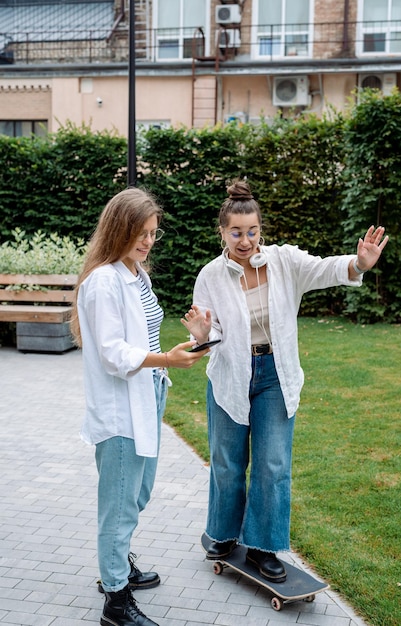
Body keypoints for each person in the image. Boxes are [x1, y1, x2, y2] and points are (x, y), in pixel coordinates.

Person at [181, 179, 388, 583]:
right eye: (237, 233)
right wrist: (201, 336)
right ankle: (223, 534)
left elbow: (326, 268)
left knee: (273, 464)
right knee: (227, 463)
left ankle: (261, 547)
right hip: (230, 374)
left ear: (262, 229)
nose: (246, 241)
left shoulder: (282, 261)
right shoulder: (210, 276)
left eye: (252, 231)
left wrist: (359, 263)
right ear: (222, 232)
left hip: (276, 374)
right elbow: (204, 332)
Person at [70, 187, 209, 626]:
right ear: (119, 230)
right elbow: (113, 353)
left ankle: (118, 564)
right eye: (140, 233)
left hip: (148, 394)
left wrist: (181, 350)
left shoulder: (135, 274)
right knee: (118, 503)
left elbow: (144, 336)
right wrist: (166, 358)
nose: (148, 242)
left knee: (138, 492)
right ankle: (116, 599)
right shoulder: (103, 282)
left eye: (153, 233)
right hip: (119, 408)